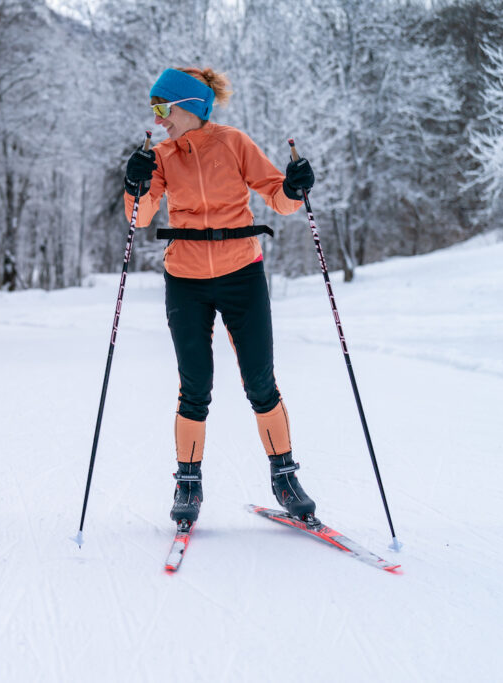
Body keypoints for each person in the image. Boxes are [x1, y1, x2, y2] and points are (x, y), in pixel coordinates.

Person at [122, 67, 318, 528]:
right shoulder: (162, 154)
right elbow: (141, 214)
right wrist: (134, 184)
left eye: (161, 107)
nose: (158, 118)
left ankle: (285, 476)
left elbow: (277, 195)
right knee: (194, 387)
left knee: (260, 383)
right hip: (185, 279)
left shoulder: (234, 143)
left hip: (241, 274)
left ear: (188, 105)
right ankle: (188, 482)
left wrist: (294, 187)